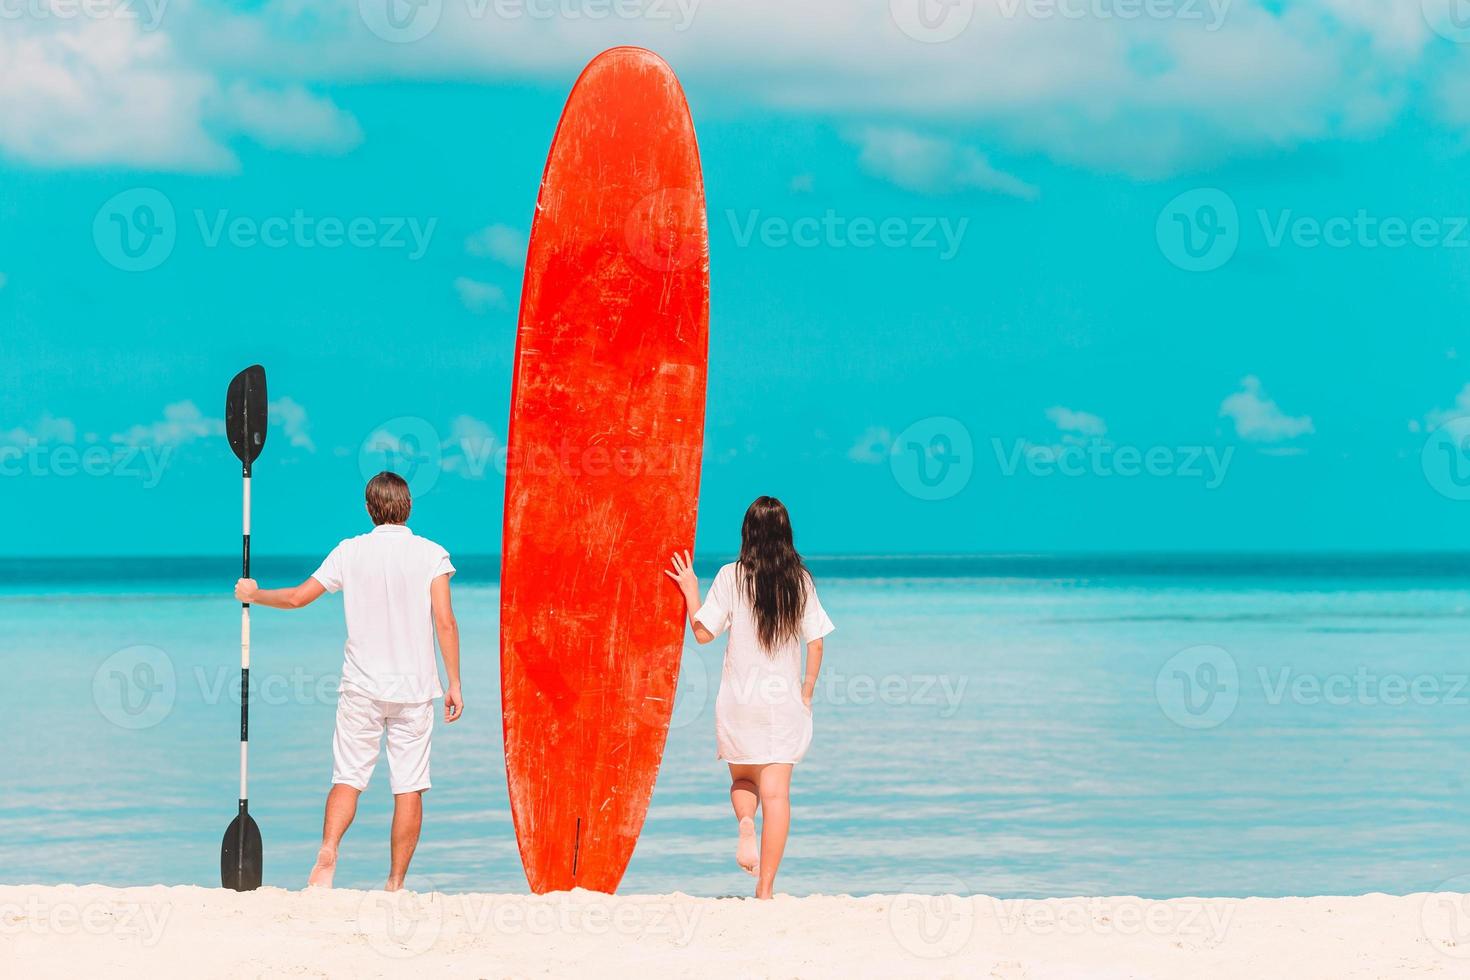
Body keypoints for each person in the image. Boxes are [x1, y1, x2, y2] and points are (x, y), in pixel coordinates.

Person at [234, 471, 463, 891]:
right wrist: (455, 683)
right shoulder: (431, 554)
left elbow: (298, 598)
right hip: (414, 691)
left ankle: (329, 850)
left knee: (348, 777)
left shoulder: (349, 551)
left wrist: (254, 594)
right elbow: (445, 622)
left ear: (369, 508)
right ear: (407, 506)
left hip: (361, 688)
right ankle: (394, 884)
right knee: (409, 785)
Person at [665, 496, 834, 899]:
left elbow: (703, 634)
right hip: (781, 703)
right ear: (786, 535)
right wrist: (806, 691)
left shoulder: (730, 575)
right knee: (776, 795)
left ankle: (745, 824)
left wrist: (690, 589)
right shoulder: (800, 581)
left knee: (743, 778)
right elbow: (817, 643)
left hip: (738, 701)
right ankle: (765, 889)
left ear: (747, 533)